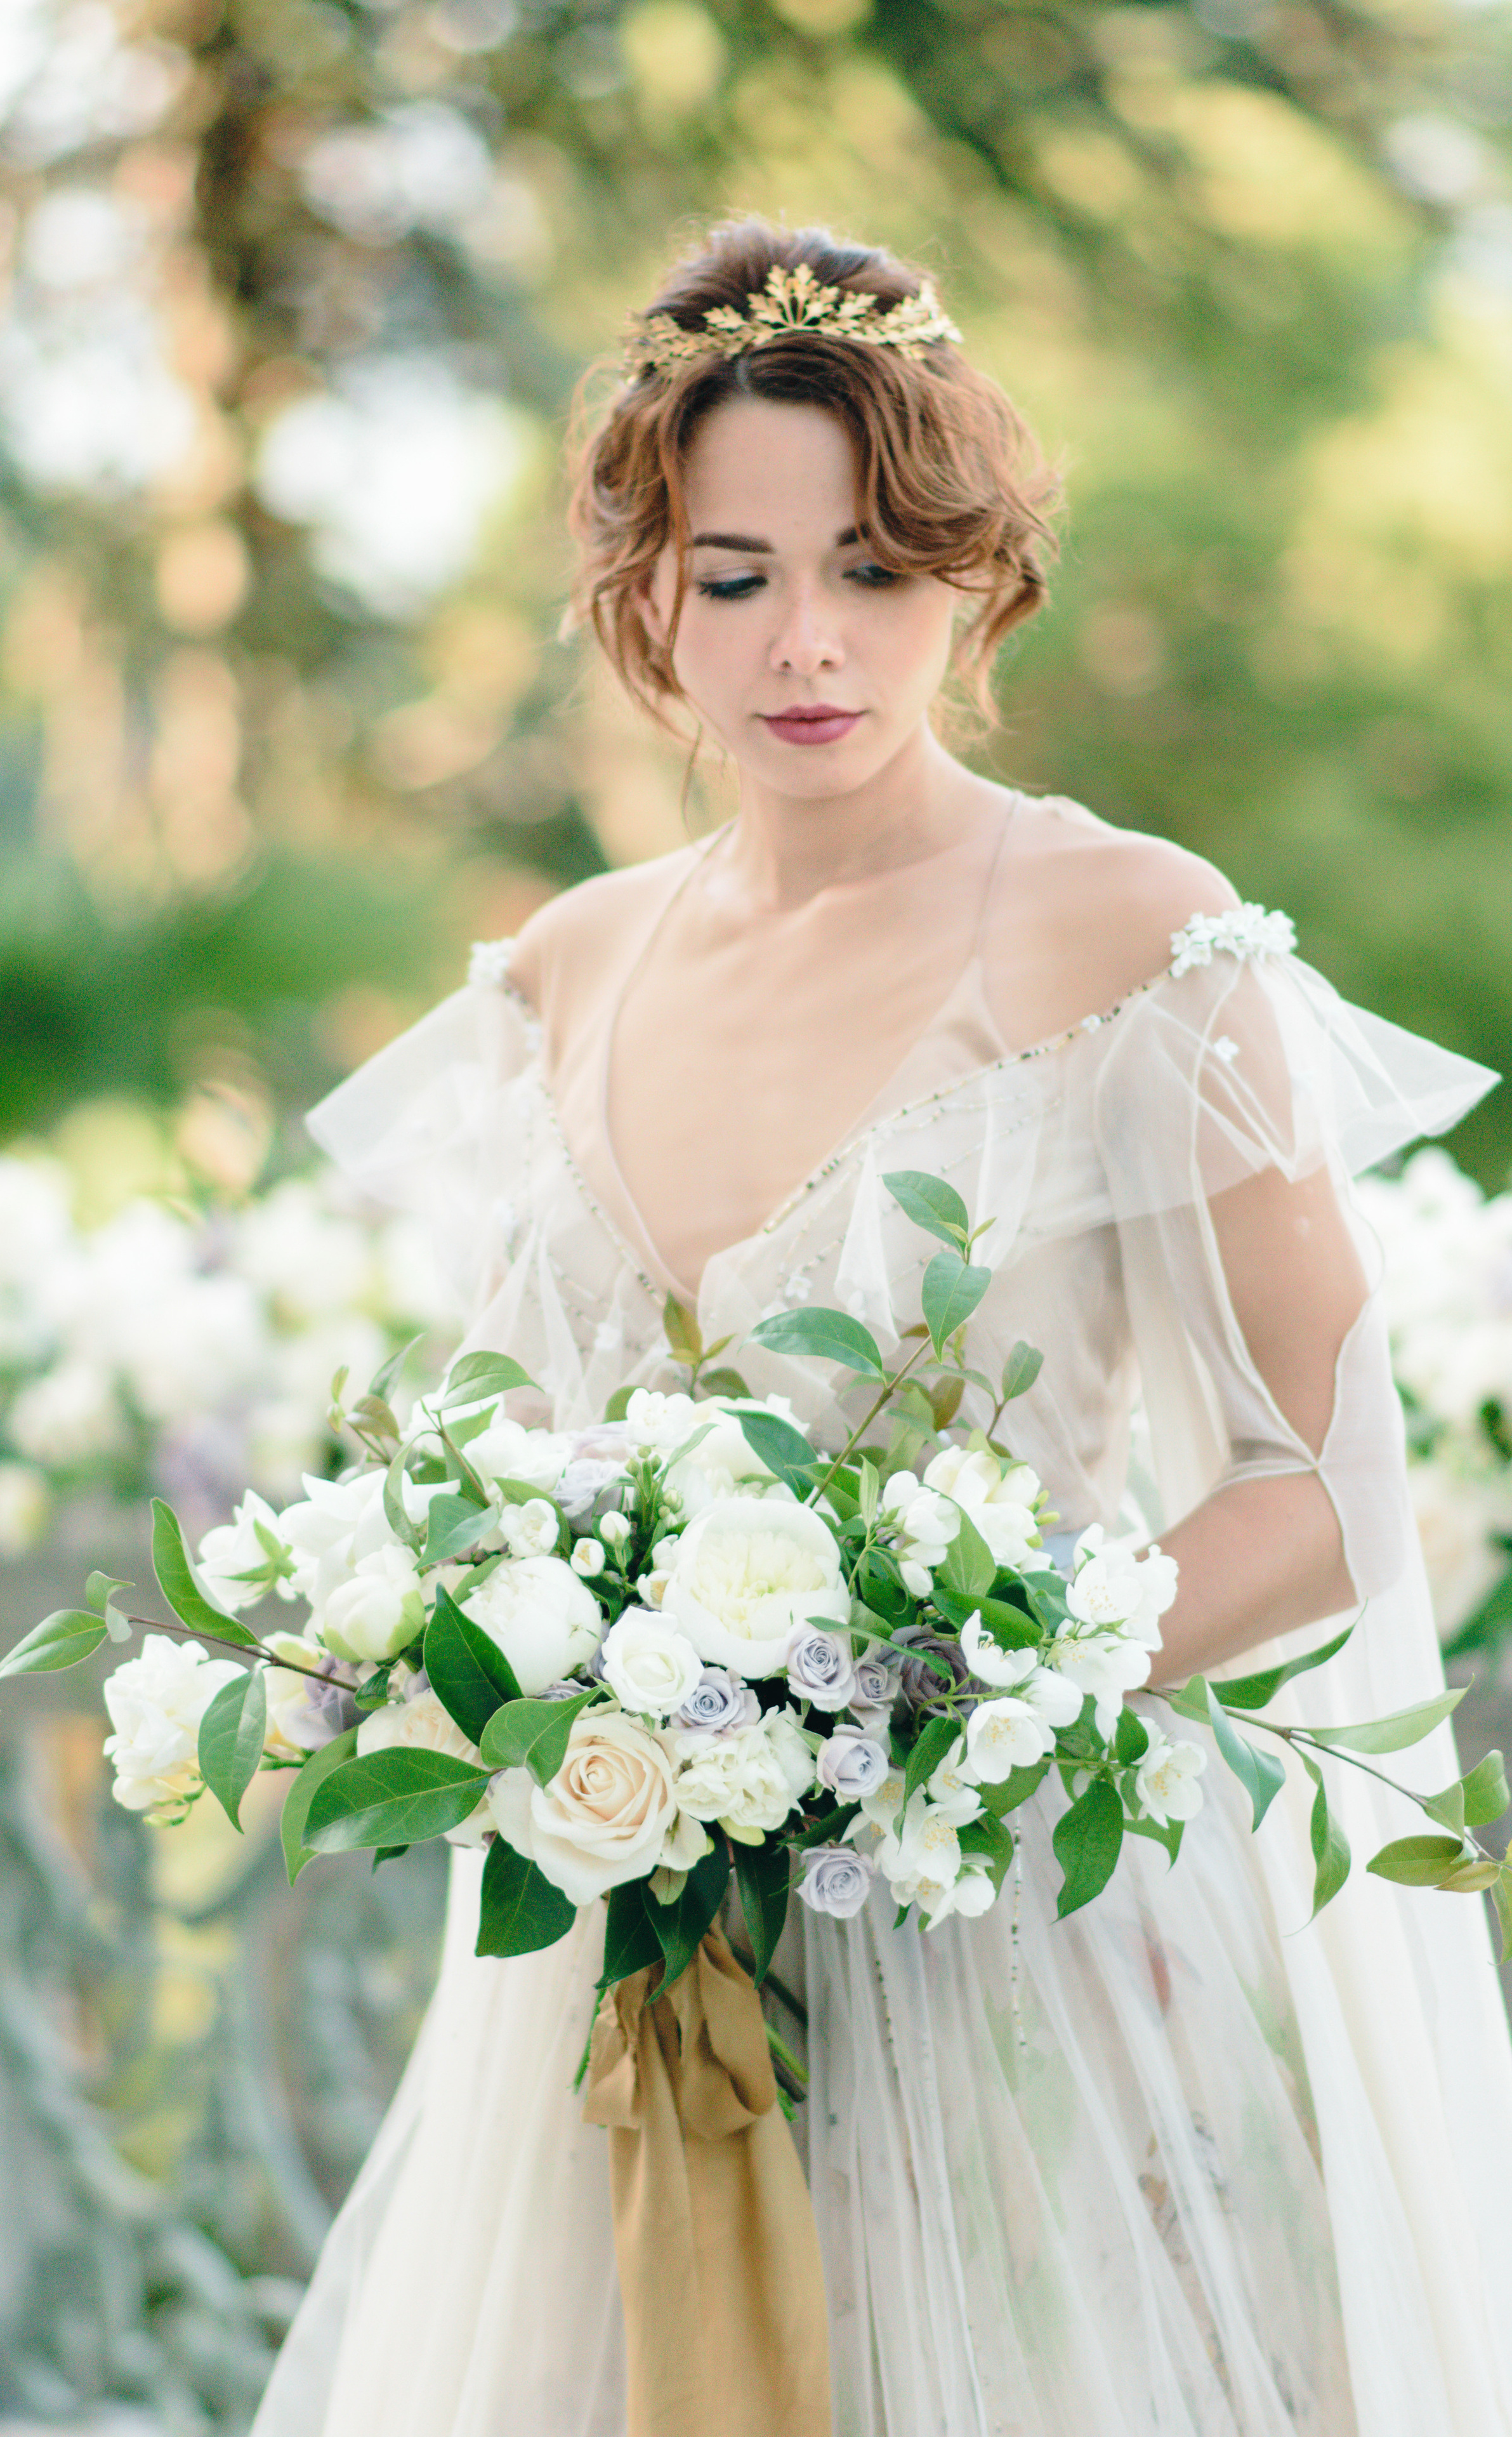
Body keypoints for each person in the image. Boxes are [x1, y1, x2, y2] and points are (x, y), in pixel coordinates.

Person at [252, 221, 1512, 2437]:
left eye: (872, 567)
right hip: (637, 1953)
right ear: (641, 591)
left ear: (978, 580)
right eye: (732, 575)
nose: (805, 643)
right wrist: (458, 1649)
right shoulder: (566, 963)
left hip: (1027, 1926)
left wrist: (943, 1697)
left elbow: (1331, 1492)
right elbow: (492, 1457)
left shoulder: (1132, 931)